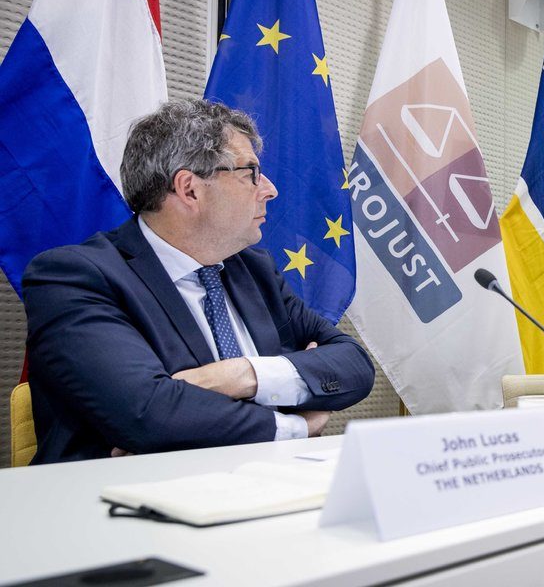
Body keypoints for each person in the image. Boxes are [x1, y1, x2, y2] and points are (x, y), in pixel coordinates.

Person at [24, 99, 375, 464]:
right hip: (121, 502)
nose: (269, 189)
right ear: (189, 189)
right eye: (251, 173)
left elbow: (353, 367)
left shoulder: (253, 269)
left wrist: (242, 375)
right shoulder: (75, 278)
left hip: (258, 489)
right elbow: (150, 415)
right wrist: (296, 428)